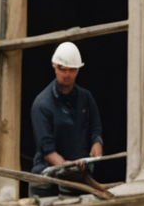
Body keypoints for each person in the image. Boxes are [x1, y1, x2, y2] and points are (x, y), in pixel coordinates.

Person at [25, 41, 104, 197]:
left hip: (77, 178)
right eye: (62, 69)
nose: (67, 74)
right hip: (47, 182)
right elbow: (48, 151)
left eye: (72, 70)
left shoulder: (86, 98)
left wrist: (97, 143)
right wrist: (67, 165)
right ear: (54, 67)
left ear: (78, 70)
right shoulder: (42, 104)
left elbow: (95, 129)